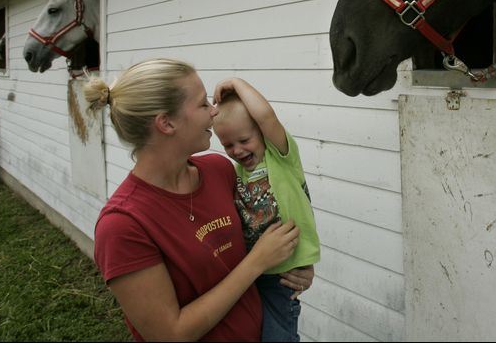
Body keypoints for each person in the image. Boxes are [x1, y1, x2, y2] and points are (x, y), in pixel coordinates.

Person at [84, 59, 314, 341]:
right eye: (203, 104)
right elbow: (170, 334)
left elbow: (262, 228)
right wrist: (258, 262)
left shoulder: (220, 171)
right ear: (166, 123)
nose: (214, 111)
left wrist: (295, 266)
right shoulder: (122, 225)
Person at [212, 78, 320, 342]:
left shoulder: (282, 158)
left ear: (260, 132)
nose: (237, 150)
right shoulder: (236, 175)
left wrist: (236, 83)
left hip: (283, 276)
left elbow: (266, 116)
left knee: (277, 336)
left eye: (244, 139)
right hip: (252, 272)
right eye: (227, 145)